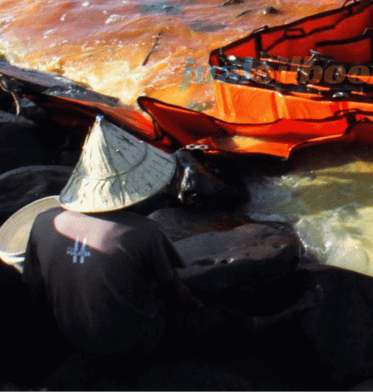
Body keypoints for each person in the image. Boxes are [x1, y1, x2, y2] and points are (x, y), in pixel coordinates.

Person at [20, 118, 257, 386]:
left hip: (73, 337)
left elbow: (35, 290)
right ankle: (257, 328)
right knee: (212, 319)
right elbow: (175, 295)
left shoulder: (44, 221)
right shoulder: (142, 231)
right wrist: (197, 309)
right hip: (134, 345)